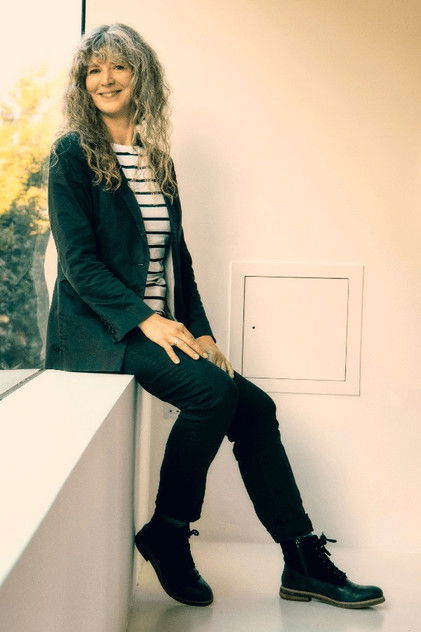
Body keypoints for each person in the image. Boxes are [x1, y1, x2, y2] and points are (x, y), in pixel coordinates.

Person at [45, 23, 385, 610]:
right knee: (211, 394)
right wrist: (147, 320)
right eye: (93, 69)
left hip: (160, 326)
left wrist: (200, 331)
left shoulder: (156, 160)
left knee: (256, 406)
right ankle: (168, 531)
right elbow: (79, 264)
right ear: (82, 83)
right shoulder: (71, 154)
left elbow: (178, 260)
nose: (105, 79)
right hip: (103, 332)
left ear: (141, 76)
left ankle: (301, 559)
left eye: (118, 66)